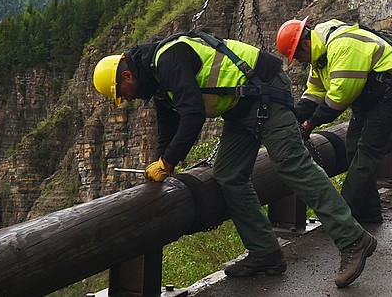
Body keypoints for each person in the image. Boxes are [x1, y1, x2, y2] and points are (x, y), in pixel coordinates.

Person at [92, 31, 376, 289]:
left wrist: (168, 161)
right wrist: (163, 161)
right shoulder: (155, 80)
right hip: (242, 108)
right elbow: (169, 123)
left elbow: (192, 114)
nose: (126, 100)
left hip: (266, 92)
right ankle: (265, 252)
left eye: (122, 94)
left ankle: (353, 239)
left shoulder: (168, 59)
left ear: (127, 76)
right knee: (228, 174)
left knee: (292, 164)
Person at [276, 17, 392, 225]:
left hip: (390, 90)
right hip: (367, 93)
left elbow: (338, 98)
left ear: (306, 43)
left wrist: (309, 125)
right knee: (353, 149)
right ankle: (369, 214)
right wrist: (293, 116)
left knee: (367, 151)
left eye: (298, 55)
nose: (300, 61)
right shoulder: (319, 55)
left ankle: (343, 217)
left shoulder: (341, 47)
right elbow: (315, 92)